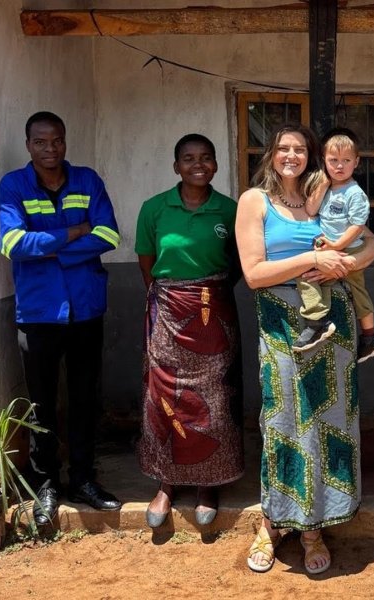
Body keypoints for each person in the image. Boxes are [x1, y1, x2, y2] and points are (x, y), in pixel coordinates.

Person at [236, 123, 374, 574]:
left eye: (300, 149)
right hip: (281, 329)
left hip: (332, 326)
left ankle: (315, 526)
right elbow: (255, 274)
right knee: (283, 422)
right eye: (284, 149)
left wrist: (343, 267)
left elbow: (373, 241)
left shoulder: (324, 194)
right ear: (271, 154)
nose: (292, 156)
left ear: (311, 156)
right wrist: (313, 259)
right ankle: (273, 522)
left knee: (327, 420)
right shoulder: (255, 201)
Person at [0, 111, 122, 526]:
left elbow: (107, 235)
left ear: (65, 142)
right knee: (42, 404)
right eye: (41, 142)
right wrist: (70, 234)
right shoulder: (13, 186)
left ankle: (84, 479)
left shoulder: (88, 181)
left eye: (57, 141)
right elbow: (14, 243)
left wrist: (48, 248)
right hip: (38, 312)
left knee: (85, 400)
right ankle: (45, 484)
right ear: (28, 144)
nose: (50, 150)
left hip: (85, 307)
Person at [135, 134, 245, 528]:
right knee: (165, 396)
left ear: (216, 164)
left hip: (214, 314)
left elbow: (238, 263)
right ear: (176, 165)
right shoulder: (154, 209)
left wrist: (205, 296)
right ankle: (167, 483)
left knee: (214, 398)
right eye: (188, 158)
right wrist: (172, 300)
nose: (198, 164)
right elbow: (146, 262)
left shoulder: (229, 210)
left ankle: (208, 483)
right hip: (165, 312)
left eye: (206, 158)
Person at [293, 128, 374, 362]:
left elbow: (356, 227)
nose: (339, 166)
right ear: (324, 160)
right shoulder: (326, 188)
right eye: (333, 160)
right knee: (313, 277)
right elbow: (311, 210)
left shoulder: (355, 193)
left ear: (356, 162)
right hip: (330, 248)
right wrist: (323, 184)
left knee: (356, 291)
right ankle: (320, 321)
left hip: (349, 248)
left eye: (346, 161)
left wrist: (335, 247)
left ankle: (368, 335)